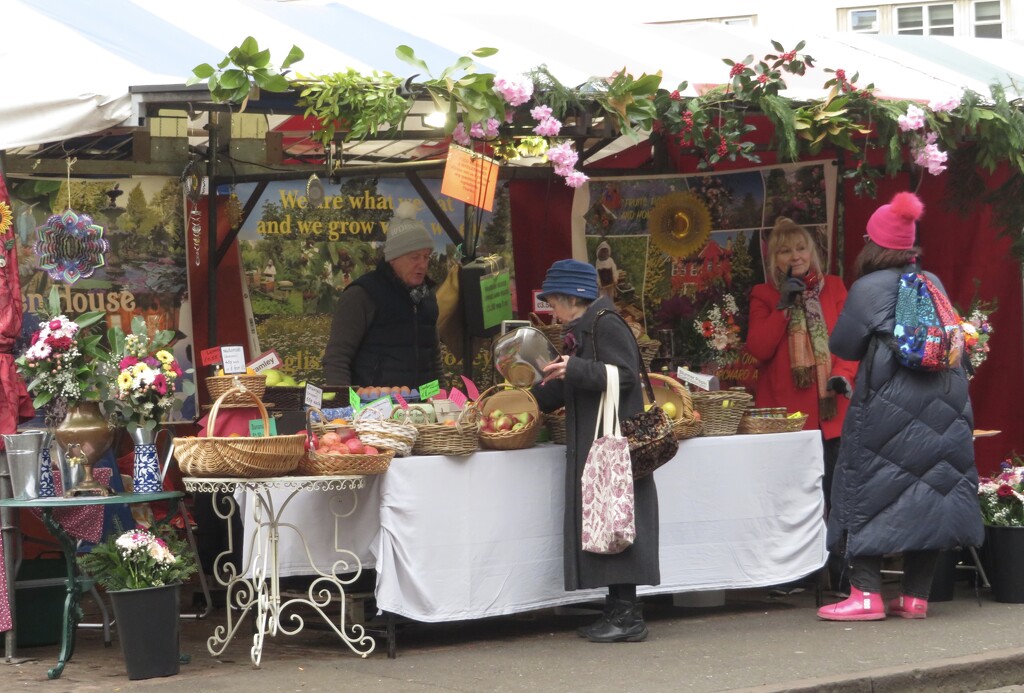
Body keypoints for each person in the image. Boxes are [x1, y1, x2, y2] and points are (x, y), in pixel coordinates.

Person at [817, 191, 983, 621]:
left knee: (864, 487)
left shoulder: (869, 288)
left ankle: (866, 595)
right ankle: (915, 597)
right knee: (931, 490)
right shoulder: (933, 283)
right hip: (946, 404)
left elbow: (844, 345)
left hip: (888, 407)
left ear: (872, 245)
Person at [531, 259, 660, 643]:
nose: (551, 310)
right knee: (607, 522)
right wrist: (527, 394)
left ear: (573, 296)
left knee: (618, 519)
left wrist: (575, 370)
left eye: (553, 301)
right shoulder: (584, 328)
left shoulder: (607, 323)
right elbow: (574, 380)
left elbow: (623, 374)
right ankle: (616, 608)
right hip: (600, 445)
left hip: (615, 446)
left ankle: (628, 616)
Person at [747, 218, 857, 516]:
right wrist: (783, 306)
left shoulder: (833, 288)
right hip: (787, 421)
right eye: (785, 251)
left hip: (831, 414)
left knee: (837, 501)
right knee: (792, 505)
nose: (795, 256)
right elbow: (759, 349)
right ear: (774, 259)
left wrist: (842, 375)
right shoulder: (763, 294)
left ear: (811, 252)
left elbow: (851, 342)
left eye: (800, 248)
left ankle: (837, 560)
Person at [322, 202, 442, 388]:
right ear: (393, 258)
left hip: (423, 409)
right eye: (414, 257)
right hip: (372, 409)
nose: (422, 265)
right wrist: (344, 406)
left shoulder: (427, 296)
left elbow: (433, 358)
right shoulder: (362, 294)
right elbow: (337, 358)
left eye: (426, 257)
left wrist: (439, 397)